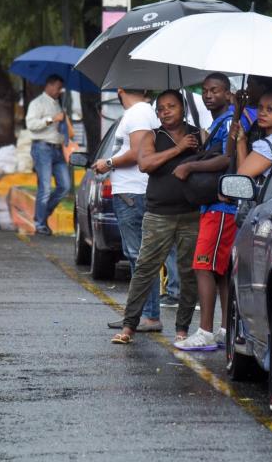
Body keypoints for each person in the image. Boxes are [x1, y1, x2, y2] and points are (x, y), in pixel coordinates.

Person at [170, 73, 256, 351]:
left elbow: (225, 159)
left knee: (203, 266)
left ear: (228, 93)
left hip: (223, 206)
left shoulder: (234, 118)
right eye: (205, 90)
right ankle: (224, 328)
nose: (208, 95)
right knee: (219, 271)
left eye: (215, 90)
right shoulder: (223, 120)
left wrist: (190, 166)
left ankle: (205, 331)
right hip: (213, 205)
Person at [111, 90, 202, 345]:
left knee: (188, 273)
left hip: (191, 214)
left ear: (183, 108)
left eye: (171, 106)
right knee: (144, 268)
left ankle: (182, 329)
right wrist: (179, 150)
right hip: (158, 214)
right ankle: (129, 326)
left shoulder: (198, 135)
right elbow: (146, 164)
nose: (165, 112)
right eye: (160, 108)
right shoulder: (153, 136)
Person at [92, 89, 178, 333]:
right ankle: (139, 315)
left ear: (120, 90)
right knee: (138, 256)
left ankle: (149, 316)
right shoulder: (139, 112)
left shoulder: (139, 112)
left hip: (132, 194)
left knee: (139, 257)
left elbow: (139, 151)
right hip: (132, 192)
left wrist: (107, 163)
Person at [26, 74, 69, 236]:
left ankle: (42, 216)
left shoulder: (58, 104)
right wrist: (51, 119)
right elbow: (31, 125)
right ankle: (39, 223)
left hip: (57, 149)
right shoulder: (37, 103)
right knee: (44, 187)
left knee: (64, 186)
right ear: (50, 86)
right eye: (58, 88)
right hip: (42, 148)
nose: (59, 91)